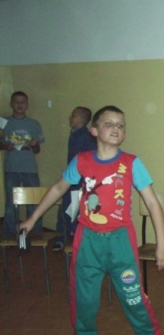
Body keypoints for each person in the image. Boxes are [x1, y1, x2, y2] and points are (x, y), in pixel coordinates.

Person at [19, 105, 164, 335]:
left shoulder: (131, 163)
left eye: (121, 125)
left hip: (120, 242)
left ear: (124, 134)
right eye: (109, 123)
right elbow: (58, 189)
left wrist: (162, 245)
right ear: (94, 130)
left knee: (133, 295)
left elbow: (152, 203)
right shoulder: (81, 161)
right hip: (88, 240)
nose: (116, 128)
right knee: (84, 298)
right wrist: (32, 219)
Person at [0, 91, 44, 238]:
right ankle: (10, 235)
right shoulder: (3, 122)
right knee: (11, 203)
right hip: (11, 168)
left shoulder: (34, 124)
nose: (19, 105)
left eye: (23, 102)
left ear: (27, 105)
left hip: (30, 169)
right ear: (11, 104)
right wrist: (5, 146)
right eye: (16, 102)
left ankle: (35, 233)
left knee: (34, 201)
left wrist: (34, 145)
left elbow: (37, 150)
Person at [53, 106, 97, 252]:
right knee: (66, 210)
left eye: (73, 115)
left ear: (83, 119)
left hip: (79, 182)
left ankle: (72, 239)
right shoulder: (75, 134)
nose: (70, 118)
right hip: (72, 179)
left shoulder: (86, 137)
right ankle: (63, 238)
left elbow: (87, 161)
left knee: (72, 211)